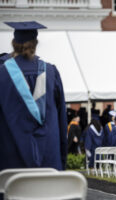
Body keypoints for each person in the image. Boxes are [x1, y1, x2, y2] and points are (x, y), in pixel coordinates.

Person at [0, 21, 67, 170]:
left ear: (13, 44)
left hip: (10, 167)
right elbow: (62, 119)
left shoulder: (2, 75)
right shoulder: (51, 73)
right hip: (49, 163)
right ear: (35, 44)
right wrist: (61, 161)